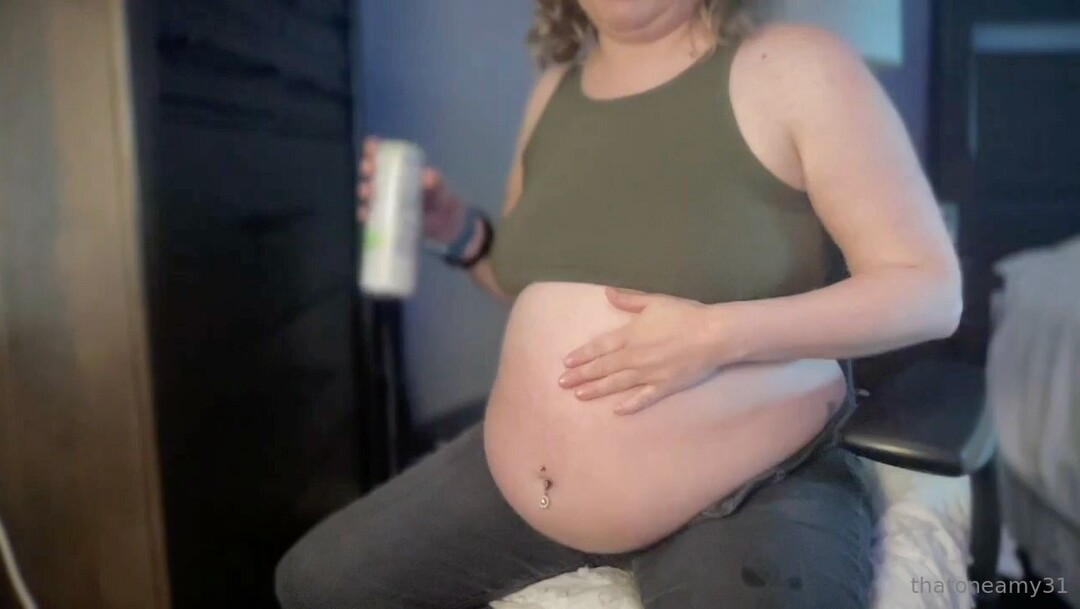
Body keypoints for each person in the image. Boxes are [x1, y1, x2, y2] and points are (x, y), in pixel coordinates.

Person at [275, 0, 962, 607]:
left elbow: (928, 290)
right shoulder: (553, 94)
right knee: (316, 583)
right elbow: (529, 283)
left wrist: (718, 334)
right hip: (524, 488)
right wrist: (457, 231)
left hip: (749, 485)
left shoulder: (795, 66)